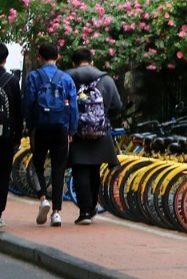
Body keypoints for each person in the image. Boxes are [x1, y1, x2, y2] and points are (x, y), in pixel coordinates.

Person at [65, 48, 123, 225]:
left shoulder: (68, 78)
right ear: (91, 61)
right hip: (100, 132)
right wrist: (102, 118)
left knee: (80, 169)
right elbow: (117, 106)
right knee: (94, 170)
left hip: (75, 132)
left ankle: (85, 211)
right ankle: (92, 207)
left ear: (74, 63)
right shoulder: (106, 79)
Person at [21, 41, 77, 227]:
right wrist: (71, 129)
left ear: (39, 57)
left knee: (37, 163)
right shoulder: (66, 78)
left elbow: (28, 103)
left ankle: (43, 198)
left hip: (40, 127)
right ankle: (57, 212)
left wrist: (30, 126)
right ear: (58, 56)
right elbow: (74, 106)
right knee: (58, 168)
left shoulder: (33, 77)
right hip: (61, 127)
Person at [0, 45, 22, 230]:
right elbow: (18, 111)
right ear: (5, 59)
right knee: (3, 174)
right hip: (5, 137)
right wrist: (17, 138)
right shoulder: (12, 81)